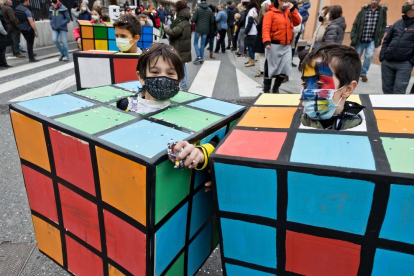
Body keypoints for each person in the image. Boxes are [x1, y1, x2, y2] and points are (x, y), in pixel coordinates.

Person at [300, 44, 364, 130]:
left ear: (348, 89)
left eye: (319, 84)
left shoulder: (356, 124)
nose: (307, 91)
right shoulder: (302, 121)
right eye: (305, 84)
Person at [116, 43, 184, 114]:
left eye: (170, 73)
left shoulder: (183, 116)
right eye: (155, 72)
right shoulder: (126, 105)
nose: (163, 79)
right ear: (141, 77)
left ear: (179, 81)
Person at [262, 0, 301, 93]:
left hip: (286, 45)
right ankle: (267, 88)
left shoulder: (289, 12)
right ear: (279, 1)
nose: (286, 2)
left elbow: (297, 22)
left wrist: (293, 10)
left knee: (286, 68)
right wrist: (266, 41)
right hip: (273, 45)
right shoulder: (270, 14)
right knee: (270, 67)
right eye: (285, 1)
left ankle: (276, 87)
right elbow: (266, 28)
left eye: (288, 1)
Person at [380, 1, 414, 94]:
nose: (404, 5)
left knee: (399, 91)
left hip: (404, 64)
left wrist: (411, 61)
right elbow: (387, 40)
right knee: (387, 91)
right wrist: (383, 56)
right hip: (388, 62)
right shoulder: (398, 22)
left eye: (407, 3)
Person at [351, 0, 387, 82]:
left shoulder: (382, 12)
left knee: (369, 56)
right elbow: (355, 24)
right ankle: (355, 73)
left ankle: (363, 73)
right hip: (360, 38)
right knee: (356, 57)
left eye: (375, 0)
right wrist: (353, 36)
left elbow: (383, 25)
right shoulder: (364, 10)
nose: (373, 1)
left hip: (372, 40)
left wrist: (380, 36)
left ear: (378, 1)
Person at [164, 0, 191, 91]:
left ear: (178, 9)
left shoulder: (181, 20)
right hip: (183, 45)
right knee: (181, 65)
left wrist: (166, 29)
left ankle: (182, 85)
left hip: (180, 46)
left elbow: (173, 33)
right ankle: (181, 83)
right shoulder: (184, 19)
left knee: (181, 66)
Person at [191, 0, 213, 64]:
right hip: (206, 29)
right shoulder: (210, 10)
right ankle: (201, 58)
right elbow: (212, 21)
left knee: (195, 43)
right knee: (202, 44)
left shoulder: (198, 9)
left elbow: (193, 20)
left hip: (198, 29)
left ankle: (198, 57)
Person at [252, 2, 268, 77]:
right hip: (262, 37)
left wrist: (255, 18)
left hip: (262, 37)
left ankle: (262, 70)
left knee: (260, 55)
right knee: (259, 55)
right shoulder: (266, 16)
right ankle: (262, 70)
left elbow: (260, 27)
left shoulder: (265, 16)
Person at [243, 0, 258, 67]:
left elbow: (250, 23)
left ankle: (252, 60)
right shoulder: (254, 10)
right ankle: (250, 59)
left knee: (250, 47)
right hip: (252, 31)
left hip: (251, 32)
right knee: (249, 46)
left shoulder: (251, 11)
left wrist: (246, 31)